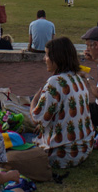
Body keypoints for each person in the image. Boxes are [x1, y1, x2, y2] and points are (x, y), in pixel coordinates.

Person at [30, 37, 95, 168]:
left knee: (19, 140)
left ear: (57, 58)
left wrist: (34, 101)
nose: (44, 59)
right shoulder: (78, 78)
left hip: (62, 153)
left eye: (47, 55)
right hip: (84, 148)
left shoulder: (55, 82)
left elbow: (37, 119)